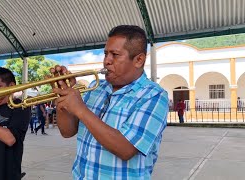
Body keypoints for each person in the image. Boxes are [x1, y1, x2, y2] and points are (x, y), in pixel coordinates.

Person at [51, 25, 169, 179]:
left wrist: (80, 109)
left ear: (139, 60)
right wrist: (63, 94)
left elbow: (125, 149)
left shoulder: (153, 96)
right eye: (106, 53)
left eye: (115, 54)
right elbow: (67, 132)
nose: (107, 61)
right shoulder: (95, 87)